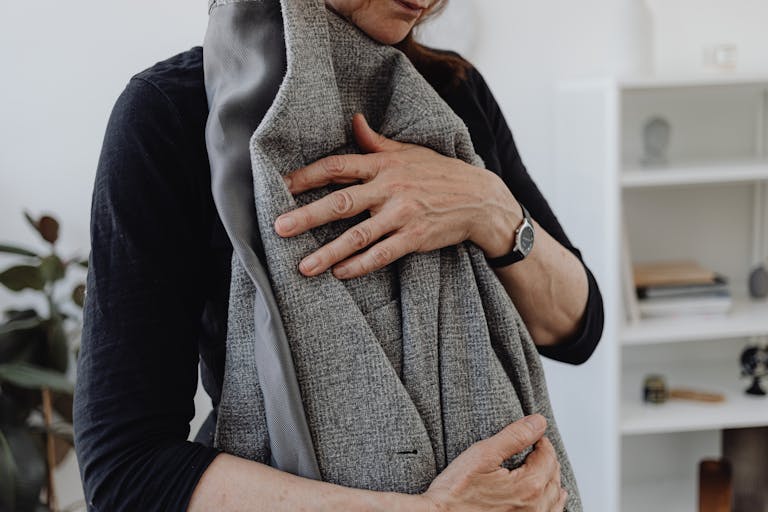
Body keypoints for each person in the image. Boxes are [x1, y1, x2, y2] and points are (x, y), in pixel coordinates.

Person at [73, 0, 604, 511]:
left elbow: (576, 327)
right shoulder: (173, 112)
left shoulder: (451, 92)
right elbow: (126, 470)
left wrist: (489, 207)